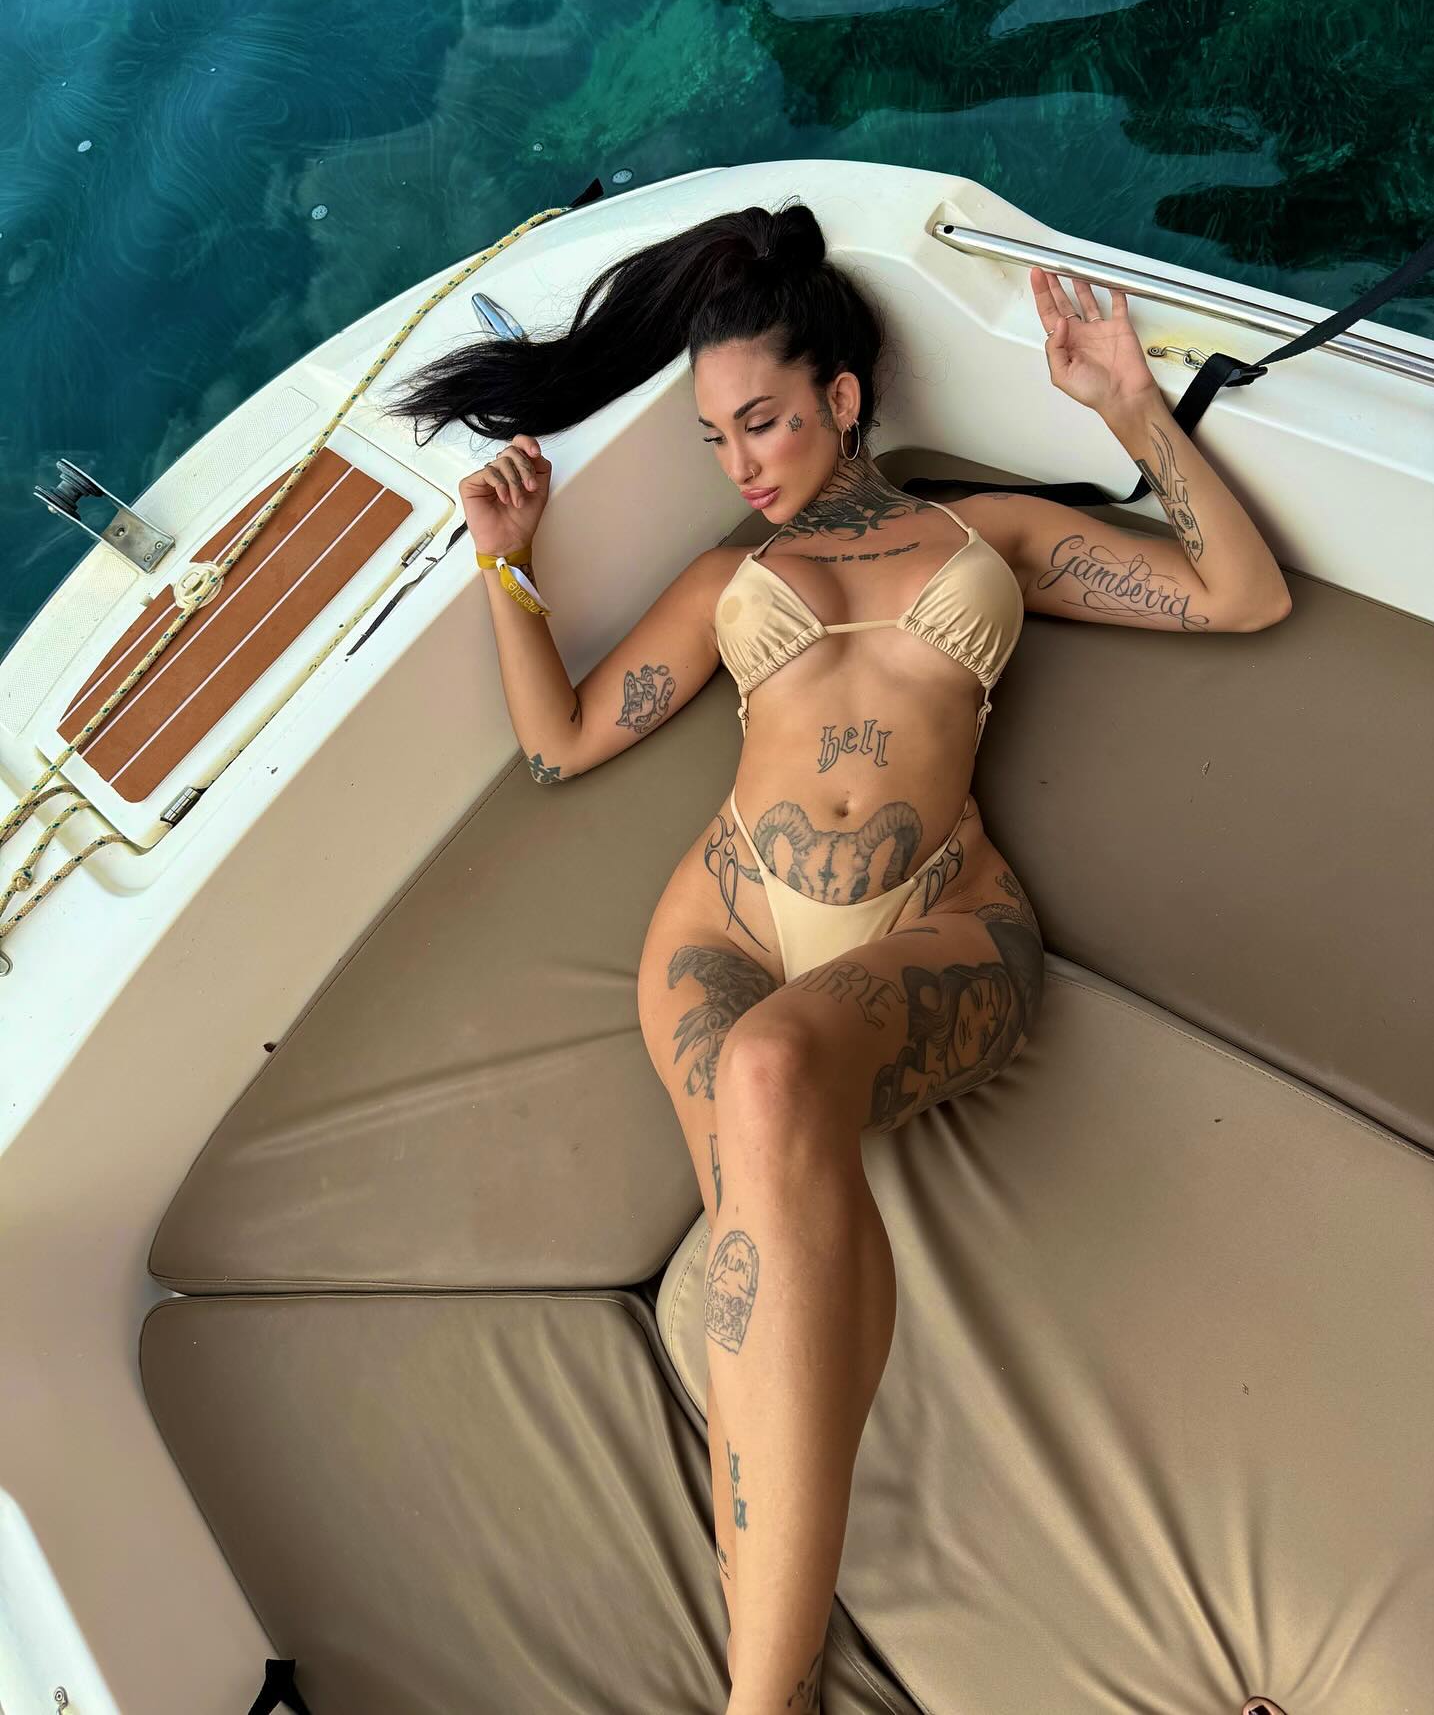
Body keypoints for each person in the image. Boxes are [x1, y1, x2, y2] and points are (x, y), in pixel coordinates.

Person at [380, 200, 1292, 1715]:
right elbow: (559, 745)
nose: (740, 464)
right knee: (752, 1231)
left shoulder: (987, 537)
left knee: (769, 1092)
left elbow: (1239, 595)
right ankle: (778, 1693)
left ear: (844, 397)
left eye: (763, 422)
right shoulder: (730, 581)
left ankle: (766, 1700)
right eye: (715, 439)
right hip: (724, 927)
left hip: (942, 925)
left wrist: (1131, 409)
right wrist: (508, 565)